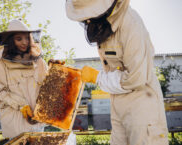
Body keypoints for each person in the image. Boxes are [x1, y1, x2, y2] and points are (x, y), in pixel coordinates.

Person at [65, 0, 168, 144]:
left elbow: (136, 78)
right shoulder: (106, 26)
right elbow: (117, 69)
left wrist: (98, 77)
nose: (88, 21)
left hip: (141, 106)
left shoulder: (131, 25)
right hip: (118, 105)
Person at [0, 19, 48, 138]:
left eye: (27, 38)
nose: (24, 42)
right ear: (11, 40)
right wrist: (21, 104)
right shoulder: (1, 64)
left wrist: (54, 69)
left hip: (37, 121)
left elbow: (47, 86)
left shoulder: (39, 61)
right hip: (15, 122)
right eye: (19, 39)